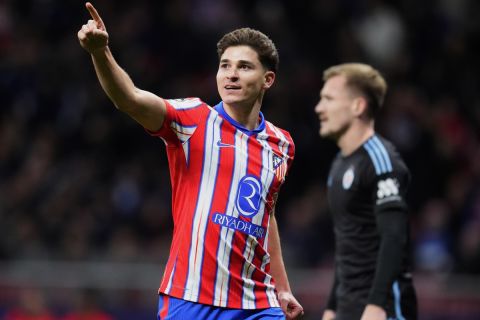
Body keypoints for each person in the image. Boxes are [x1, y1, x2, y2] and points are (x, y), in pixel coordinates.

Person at [77, 2, 303, 320]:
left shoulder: (282, 144)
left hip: (257, 303)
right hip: (191, 298)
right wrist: (100, 52)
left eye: (244, 67)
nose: (231, 74)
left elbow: (268, 212)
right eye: (225, 66)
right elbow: (127, 98)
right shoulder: (193, 118)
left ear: (267, 80)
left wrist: (281, 288)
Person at [314, 63, 417, 320]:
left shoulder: (381, 160)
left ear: (358, 106)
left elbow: (394, 238)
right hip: (349, 307)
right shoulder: (339, 163)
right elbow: (346, 242)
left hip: (383, 308)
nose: (319, 108)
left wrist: (377, 304)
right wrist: (331, 306)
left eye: (328, 99)